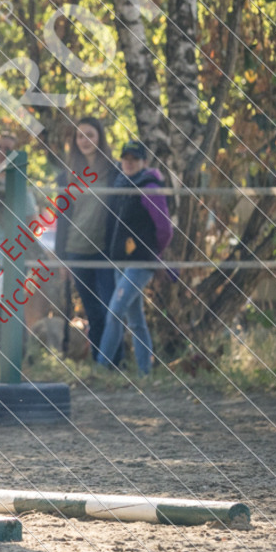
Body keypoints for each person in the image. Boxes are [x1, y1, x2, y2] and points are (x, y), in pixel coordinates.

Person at [96, 141, 173, 375]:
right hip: (121, 261)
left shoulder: (149, 187)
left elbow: (165, 229)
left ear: (144, 163)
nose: (128, 163)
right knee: (136, 320)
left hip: (140, 262)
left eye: (134, 159)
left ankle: (100, 368)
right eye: (125, 158)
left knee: (115, 311)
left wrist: (152, 253)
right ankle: (145, 373)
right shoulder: (121, 185)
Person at [53, 118, 119, 361]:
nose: (85, 141)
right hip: (76, 251)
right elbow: (62, 219)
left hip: (105, 252)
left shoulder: (114, 172)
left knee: (111, 309)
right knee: (93, 311)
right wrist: (61, 259)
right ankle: (99, 363)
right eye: (80, 136)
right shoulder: (67, 177)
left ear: (100, 137)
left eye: (90, 135)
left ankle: (114, 361)